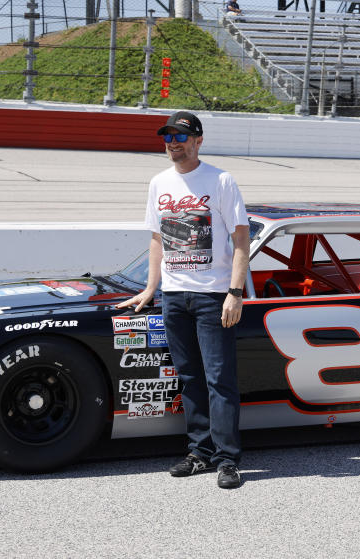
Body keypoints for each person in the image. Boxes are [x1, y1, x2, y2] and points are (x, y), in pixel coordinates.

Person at [118, 111, 250, 490]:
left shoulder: (221, 180)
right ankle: (199, 453)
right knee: (190, 378)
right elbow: (158, 241)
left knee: (219, 380)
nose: (173, 142)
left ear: (198, 140)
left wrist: (234, 292)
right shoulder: (158, 182)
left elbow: (241, 240)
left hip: (213, 296)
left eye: (180, 136)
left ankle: (228, 460)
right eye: (168, 137)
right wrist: (150, 288)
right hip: (174, 296)